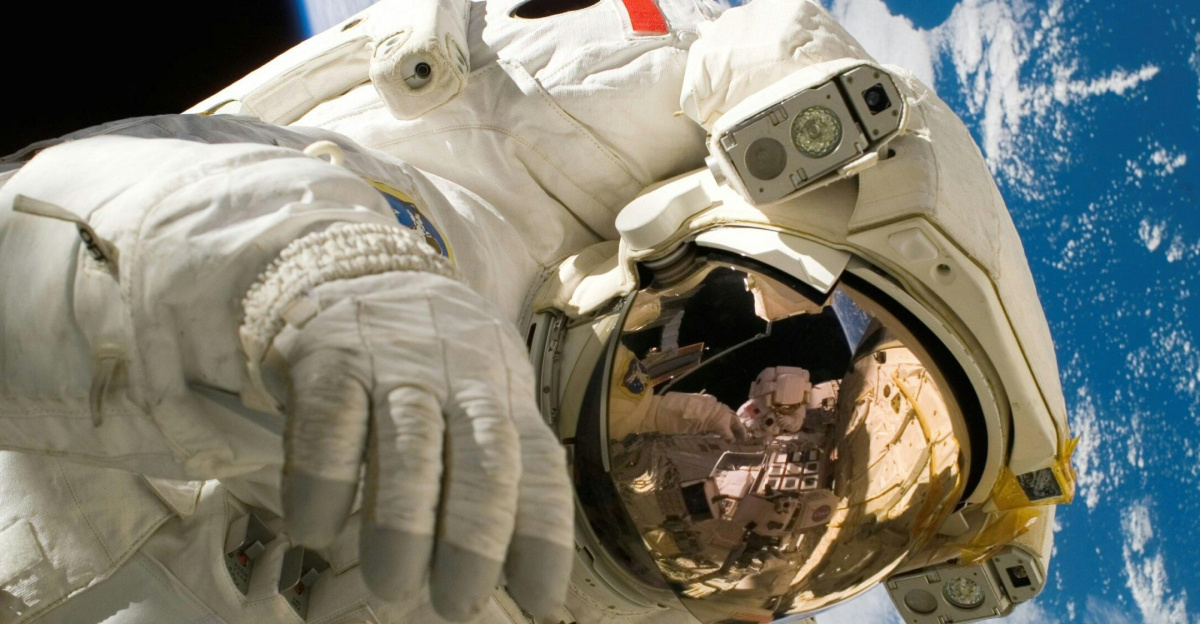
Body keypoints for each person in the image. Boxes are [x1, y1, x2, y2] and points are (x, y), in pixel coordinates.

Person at [0, 0, 1075, 623]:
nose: (761, 467)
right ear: (671, 251)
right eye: (768, 392)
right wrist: (313, 282)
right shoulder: (471, 267)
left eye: (843, 512)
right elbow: (104, 231)